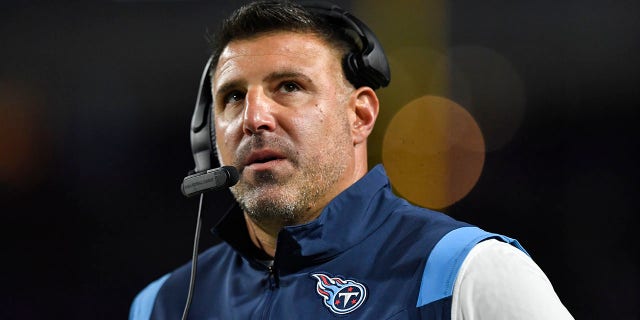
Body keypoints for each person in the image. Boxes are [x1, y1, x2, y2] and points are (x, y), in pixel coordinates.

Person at [130, 1, 574, 319]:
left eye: (288, 87)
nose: (254, 118)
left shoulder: (470, 275)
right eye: (233, 96)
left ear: (360, 115)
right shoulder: (161, 305)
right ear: (207, 137)